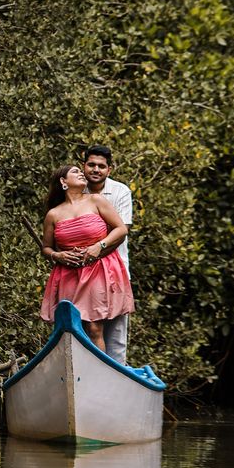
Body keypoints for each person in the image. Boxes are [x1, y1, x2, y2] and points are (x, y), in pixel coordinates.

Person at [40, 164, 133, 354]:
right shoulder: (53, 214)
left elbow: (121, 229)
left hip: (97, 269)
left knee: (93, 327)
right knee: (72, 329)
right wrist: (58, 255)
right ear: (63, 181)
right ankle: (77, 375)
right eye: (75, 172)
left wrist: (100, 246)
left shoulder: (96, 201)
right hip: (68, 274)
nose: (81, 173)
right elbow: (46, 248)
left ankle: (99, 374)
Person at [81, 144, 133, 364]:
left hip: (116, 269)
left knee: (116, 334)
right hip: (80, 272)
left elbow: (121, 231)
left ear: (109, 170)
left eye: (101, 166)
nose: (96, 169)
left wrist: (96, 249)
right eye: (91, 164)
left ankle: (115, 380)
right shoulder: (75, 191)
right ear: (83, 166)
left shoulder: (120, 191)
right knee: (86, 329)